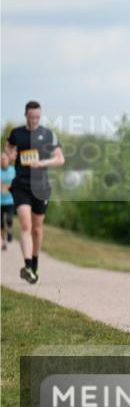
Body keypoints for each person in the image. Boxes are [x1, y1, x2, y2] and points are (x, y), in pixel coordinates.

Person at [4, 100, 65, 283]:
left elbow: (60, 159)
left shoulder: (48, 135)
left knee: (37, 229)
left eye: (37, 117)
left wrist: (43, 163)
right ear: (26, 115)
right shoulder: (17, 133)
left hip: (41, 187)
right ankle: (28, 266)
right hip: (21, 186)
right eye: (31, 117)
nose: (34, 120)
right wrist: (10, 154)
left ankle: (35, 261)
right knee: (25, 225)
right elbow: (8, 147)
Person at [1, 153, 14, 251]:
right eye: (1, 159)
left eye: (4, 159)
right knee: (0, 223)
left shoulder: (13, 170)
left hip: (10, 200)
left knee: (9, 219)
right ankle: (4, 242)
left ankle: (9, 231)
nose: (3, 161)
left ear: (8, 160)